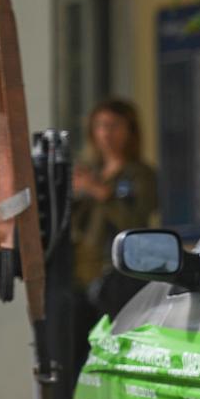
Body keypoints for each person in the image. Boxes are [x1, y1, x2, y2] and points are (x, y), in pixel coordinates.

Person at [71, 98, 157, 349]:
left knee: (111, 345)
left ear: (130, 130)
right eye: (100, 126)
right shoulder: (89, 171)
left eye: (114, 126)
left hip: (118, 275)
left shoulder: (140, 174)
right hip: (82, 273)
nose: (106, 134)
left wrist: (102, 194)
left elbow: (136, 221)